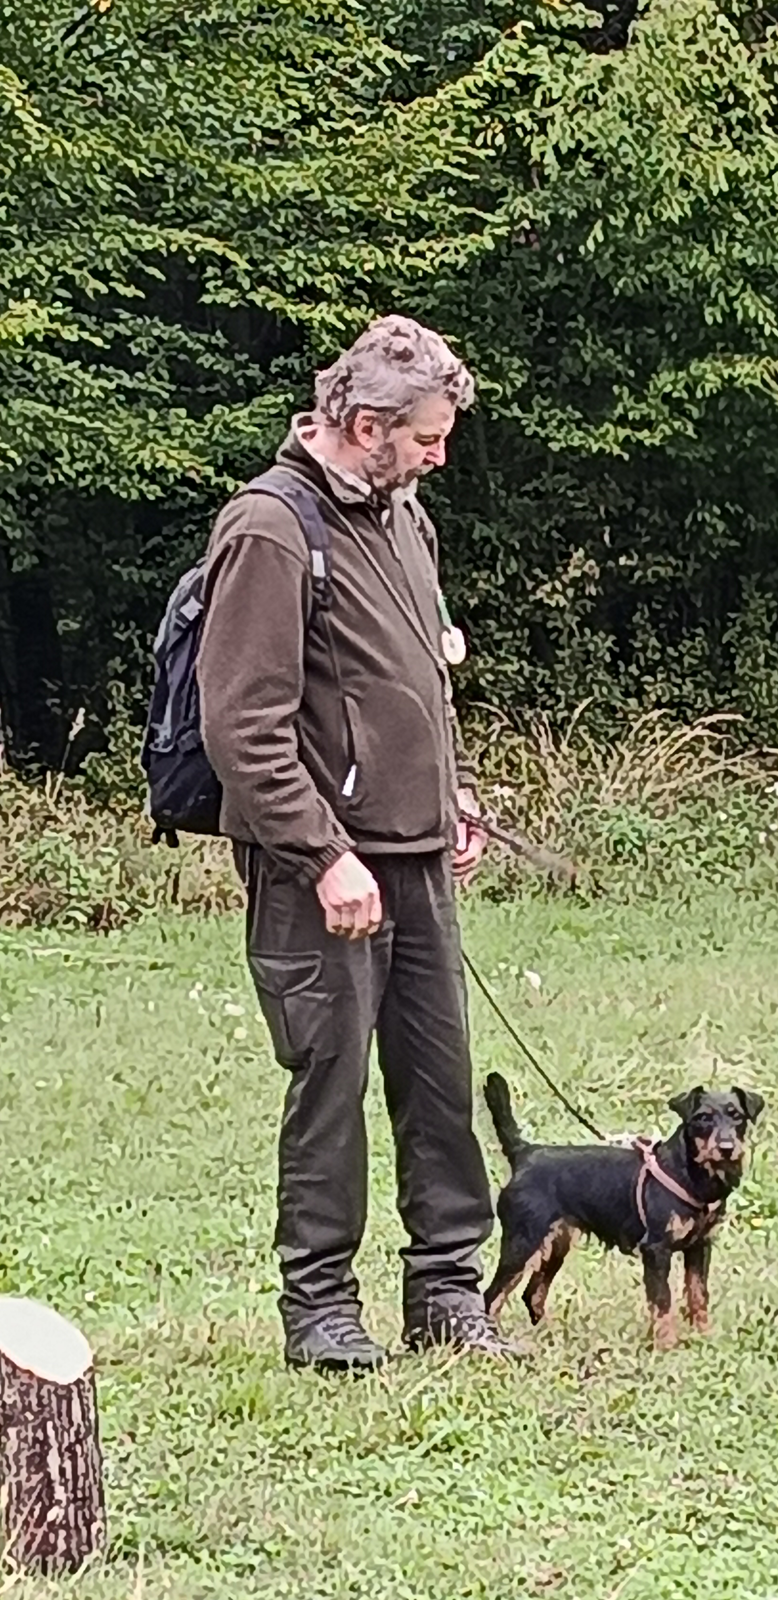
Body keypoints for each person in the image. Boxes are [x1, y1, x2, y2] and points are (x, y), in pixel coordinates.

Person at [196, 315, 521, 1367]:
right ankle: (322, 1309)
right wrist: (321, 853)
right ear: (368, 425)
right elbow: (242, 725)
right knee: (330, 1085)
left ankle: (447, 1293)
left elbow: (421, 679)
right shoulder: (270, 527)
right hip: (319, 868)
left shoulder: (406, 517)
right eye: (427, 438)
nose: (439, 457)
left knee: (440, 1080)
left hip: (417, 856)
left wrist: (451, 793)